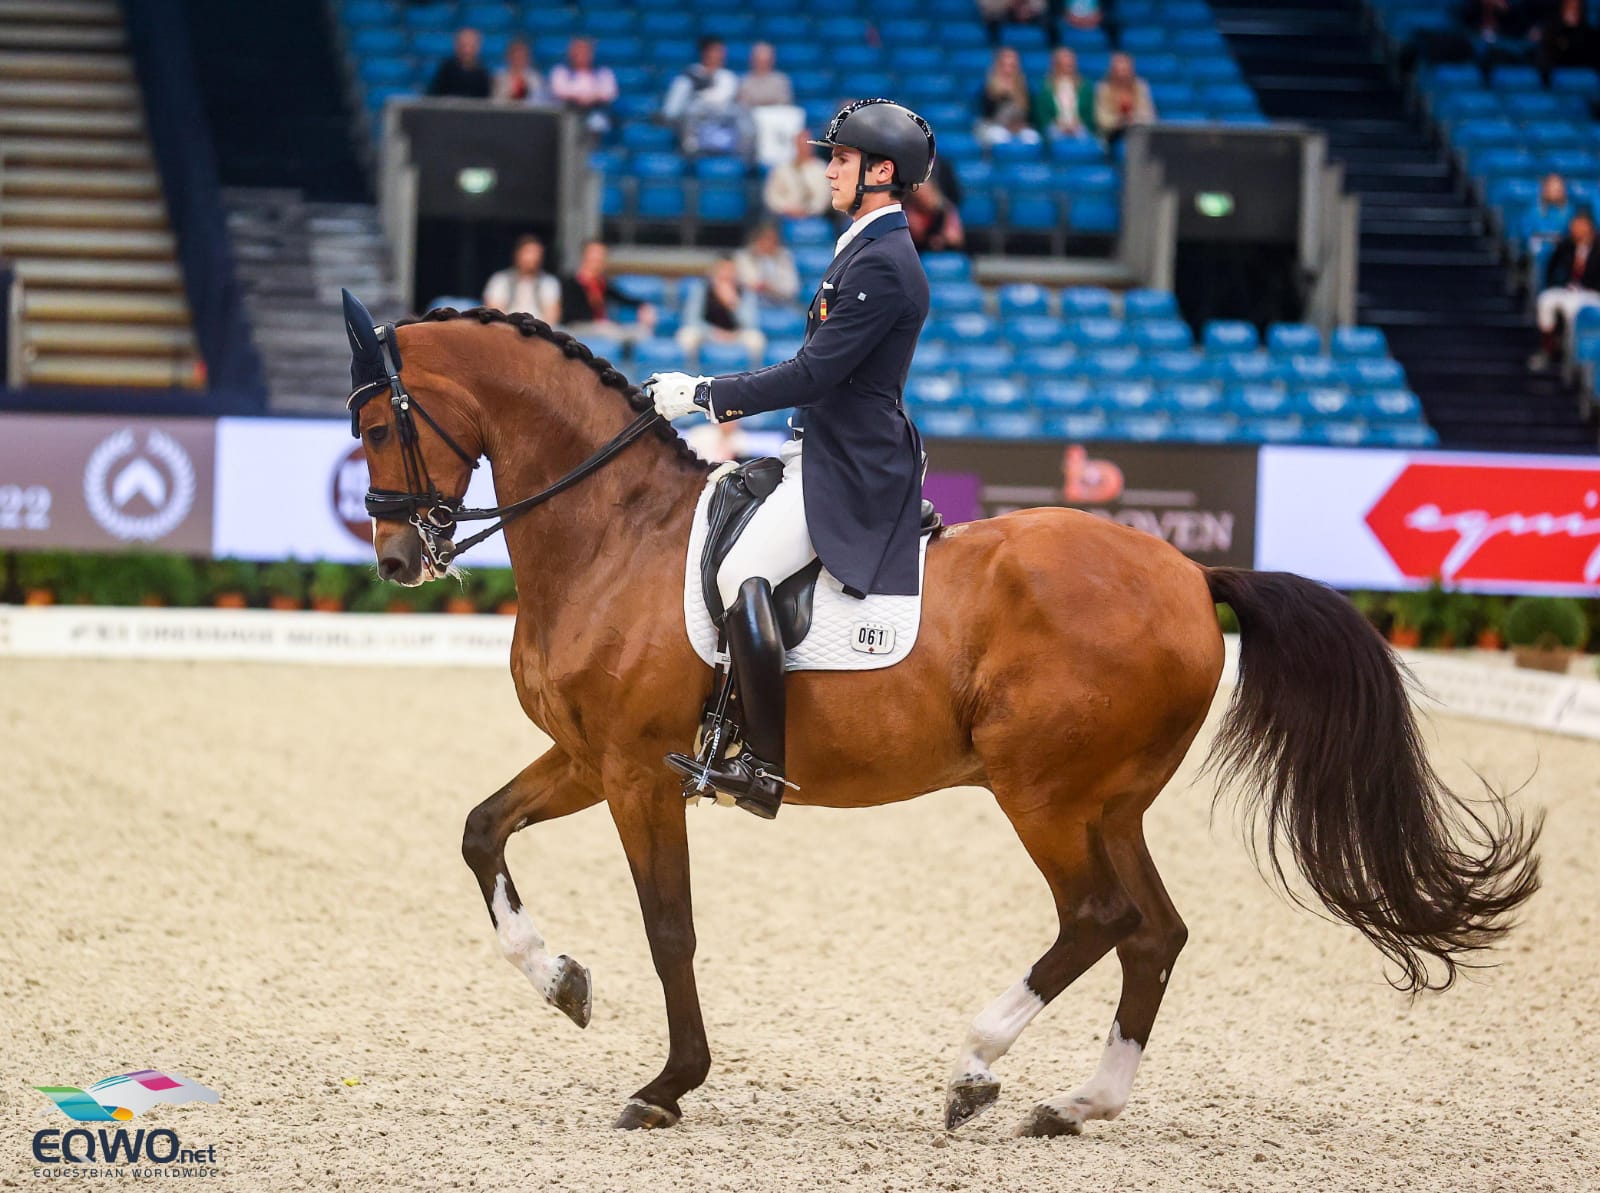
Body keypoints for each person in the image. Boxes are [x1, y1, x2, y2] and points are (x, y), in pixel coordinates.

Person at [644, 98, 935, 819]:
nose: (827, 168)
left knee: (745, 570)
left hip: (852, 463)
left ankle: (763, 766)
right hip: (822, 446)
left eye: (840, 158)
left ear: (881, 171)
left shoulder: (886, 263)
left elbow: (812, 374)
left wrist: (703, 392)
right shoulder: (862, 245)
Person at [1532, 208, 1600, 367]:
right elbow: (1552, 267)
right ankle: (1548, 348)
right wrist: (1559, 285)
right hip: (1570, 290)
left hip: (1593, 294)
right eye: (1574, 225)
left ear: (1589, 227)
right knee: (1546, 299)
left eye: (1581, 226)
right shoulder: (1567, 244)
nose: (1576, 229)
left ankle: (1571, 354)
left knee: (1573, 308)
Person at [663, 36, 749, 157]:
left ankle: (742, 157)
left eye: (721, 51)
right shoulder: (690, 75)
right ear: (705, 52)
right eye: (716, 51)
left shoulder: (728, 77)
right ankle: (690, 150)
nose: (720, 55)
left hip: (723, 124)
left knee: (742, 115)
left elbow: (722, 99)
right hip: (695, 125)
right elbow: (672, 109)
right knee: (692, 109)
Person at [559, 240, 658, 342]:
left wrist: (643, 306)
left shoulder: (602, 284)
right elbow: (570, 315)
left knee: (642, 331)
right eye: (595, 255)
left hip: (602, 327)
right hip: (578, 328)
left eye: (602, 255)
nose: (598, 259)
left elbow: (624, 298)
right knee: (608, 329)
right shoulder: (570, 283)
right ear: (585, 256)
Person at [676, 256, 768, 363]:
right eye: (723, 270)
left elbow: (751, 323)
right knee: (687, 335)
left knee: (756, 339)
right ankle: (691, 375)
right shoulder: (702, 288)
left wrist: (732, 303)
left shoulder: (745, 291)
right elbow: (691, 319)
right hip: (708, 334)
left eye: (731, 270)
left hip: (736, 335)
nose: (727, 274)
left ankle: (753, 378)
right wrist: (713, 333)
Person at [482, 233, 561, 322]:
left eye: (537, 253)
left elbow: (552, 316)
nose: (533, 258)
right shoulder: (500, 280)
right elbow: (495, 313)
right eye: (528, 253)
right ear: (518, 254)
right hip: (506, 329)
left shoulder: (549, 282)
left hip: (539, 330)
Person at [548, 37, 618, 136]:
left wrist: (591, 97)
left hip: (596, 111)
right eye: (578, 51)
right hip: (569, 112)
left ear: (591, 53)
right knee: (568, 124)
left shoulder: (603, 72)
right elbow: (559, 90)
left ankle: (597, 149)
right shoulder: (561, 71)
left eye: (585, 51)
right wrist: (581, 96)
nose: (581, 55)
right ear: (571, 54)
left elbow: (610, 92)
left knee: (599, 122)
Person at [976, 47, 1040, 146]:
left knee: (1032, 137)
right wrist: (1002, 95)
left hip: (1019, 127)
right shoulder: (988, 87)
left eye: (1012, 66)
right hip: (994, 125)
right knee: (1001, 136)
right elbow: (986, 113)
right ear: (998, 66)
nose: (1008, 70)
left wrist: (1020, 125)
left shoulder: (1024, 87)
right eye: (1004, 66)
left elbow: (1030, 114)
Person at [763, 128, 832, 217]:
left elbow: (825, 196)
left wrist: (808, 210)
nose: (803, 148)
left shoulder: (822, 169)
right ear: (795, 145)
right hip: (785, 216)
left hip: (813, 217)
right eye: (800, 144)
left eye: (806, 145)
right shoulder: (782, 169)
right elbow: (772, 196)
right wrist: (786, 208)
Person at [1034, 46, 1096, 140]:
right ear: (1056, 64)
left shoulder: (1085, 87)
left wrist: (1077, 123)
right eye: (1064, 63)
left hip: (1079, 127)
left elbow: (1089, 114)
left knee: (1084, 137)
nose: (1068, 66)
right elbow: (1041, 115)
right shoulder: (1044, 87)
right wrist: (1058, 124)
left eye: (1070, 63)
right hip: (1054, 127)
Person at [1094, 52, 1156, 144]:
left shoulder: (1140, 87)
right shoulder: (1103, 89)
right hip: (1111, 135)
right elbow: (1101, 118)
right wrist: (1120, 121)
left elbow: (1149, 115)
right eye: (1119, 71)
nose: (1122, 75)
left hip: (1138, 132)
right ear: (1112, 71)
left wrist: (1133, 119)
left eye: (1125, 70)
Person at [733, 222, 800, 306]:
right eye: (766, 239)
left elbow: (791, 288)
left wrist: (771, 287)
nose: (769, 243)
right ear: (757, 240)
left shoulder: (785, 256)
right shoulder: (744, 256)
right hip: (752, 304)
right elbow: (749, 283)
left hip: (781, 302)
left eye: (773, 240)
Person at [426, 27, 490, 99]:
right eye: (463, 45)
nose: (466, 50)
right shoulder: (446, 69)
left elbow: (485, 100)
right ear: (456, 46)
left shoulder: (483, 73)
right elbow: (433, 95)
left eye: (471, 46)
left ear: (478, 47)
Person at [1539, 0, 1600, 73]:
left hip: (1585, 76)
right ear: (1562, 9)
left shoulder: (1591, 35)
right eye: (1571, 8)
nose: (1575, 12)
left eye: (1578, 8)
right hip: (1558, 74)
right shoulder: (1551, 33)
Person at [905, 178, 965, 252]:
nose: (924, 198)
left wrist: (942, 239)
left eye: (927, 193)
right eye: (920, 196)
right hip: (920, 251)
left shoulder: (946, 209)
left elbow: (956, 238)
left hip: (946, 251)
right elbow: (916, 235)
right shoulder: (909, 212)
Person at [738, 42, 794, 108]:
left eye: (765, 60)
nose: (762, 64)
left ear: (772, 60)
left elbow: (784, 102)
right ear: (752, 60)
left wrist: (757, 101)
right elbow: (743, 104)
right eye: (759, 59)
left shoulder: (781, 80)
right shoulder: (744, 81)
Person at [492, 38, 546, 104]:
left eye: (522, 56)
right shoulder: (500, 77)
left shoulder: (535, 78)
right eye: (515, 56)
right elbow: (496, 102)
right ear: (508, 57)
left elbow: (539, 103)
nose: (518, 60)